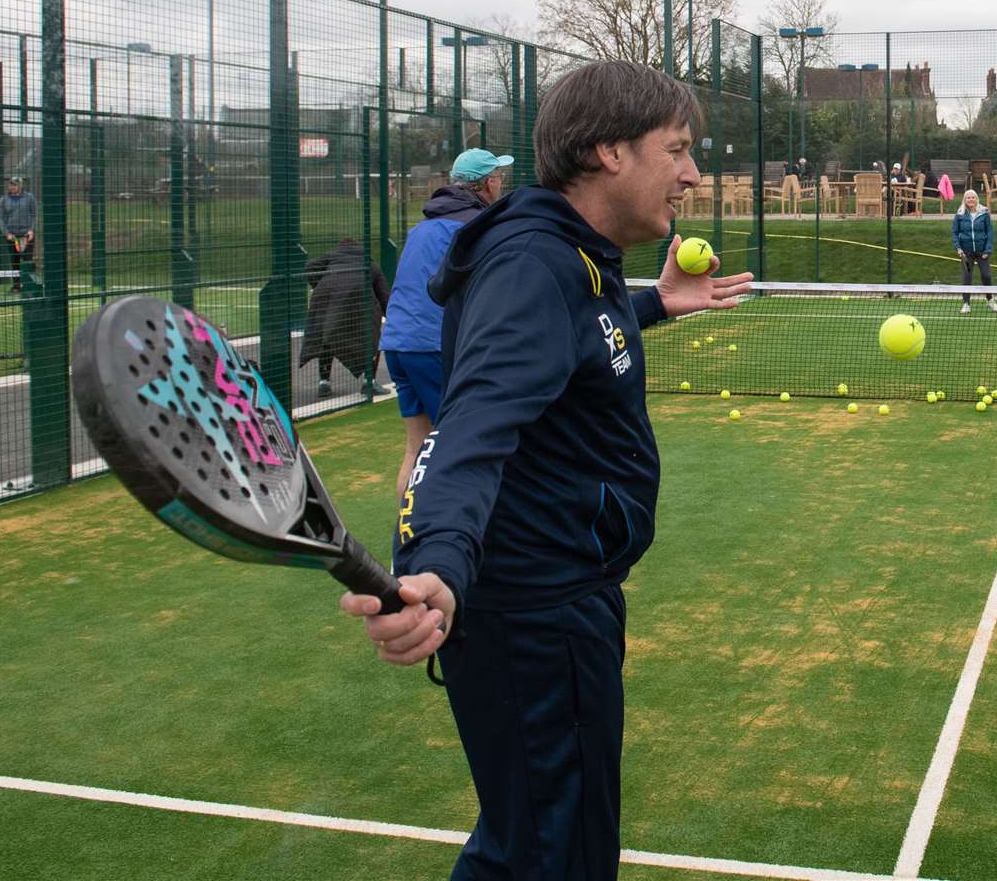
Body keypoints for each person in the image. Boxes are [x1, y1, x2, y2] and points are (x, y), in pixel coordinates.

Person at [339, 60, 752, 881]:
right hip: (531, 616)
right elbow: (473, 428)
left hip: (555, 602)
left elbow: (576, 338)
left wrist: (654, 305)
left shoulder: (571, 259)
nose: (692, 174)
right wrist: (437, 568)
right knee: (550, 858)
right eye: (675, 149)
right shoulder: (536, 264)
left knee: (534, 848)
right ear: (607, 151)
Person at [379, 147, 511, 506]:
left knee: (417, 448)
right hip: (435, 347)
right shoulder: (476, 227)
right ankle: (455, 540)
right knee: (461, 448)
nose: (502, 182)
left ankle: (407, 539)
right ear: (487, 183)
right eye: (499, 176)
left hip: (398, 345)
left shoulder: (422, 228)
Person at [299, 236, 389, 397]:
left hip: (327, 302)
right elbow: (384, 295)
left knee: (327, 340)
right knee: (372, 339)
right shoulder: (370, 263)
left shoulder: (331, 258)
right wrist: (391, 315)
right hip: (360, 305)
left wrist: (319, 285)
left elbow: (309, 267)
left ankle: (324, 382)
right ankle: (369, 382)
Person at [952, 188, 997, 313]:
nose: (971, 199)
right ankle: (966, 303)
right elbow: (955, 233)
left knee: (986, 275)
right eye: (968, 197)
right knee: (967, 276)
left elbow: (989, 232)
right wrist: (958, 248)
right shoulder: (959, 214)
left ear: (976, 199)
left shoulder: (984, 213)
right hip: (966, 253)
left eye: (973, 197)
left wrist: (987, 250)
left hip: (982, 251)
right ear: (965, 200)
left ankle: (990, 300)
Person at [0, 176, 37, 292]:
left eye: (15, 184)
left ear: (20, 186)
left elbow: (34, 214)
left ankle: (29, 285)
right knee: (14, 260)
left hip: (26, 235)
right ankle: (16, 286)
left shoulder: (29, 197)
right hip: (12, 236)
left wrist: (31, 230)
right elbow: (0, 217)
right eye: (11, 184)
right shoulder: (4, 199)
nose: (12, 187)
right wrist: (7, 233)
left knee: (27, 259)